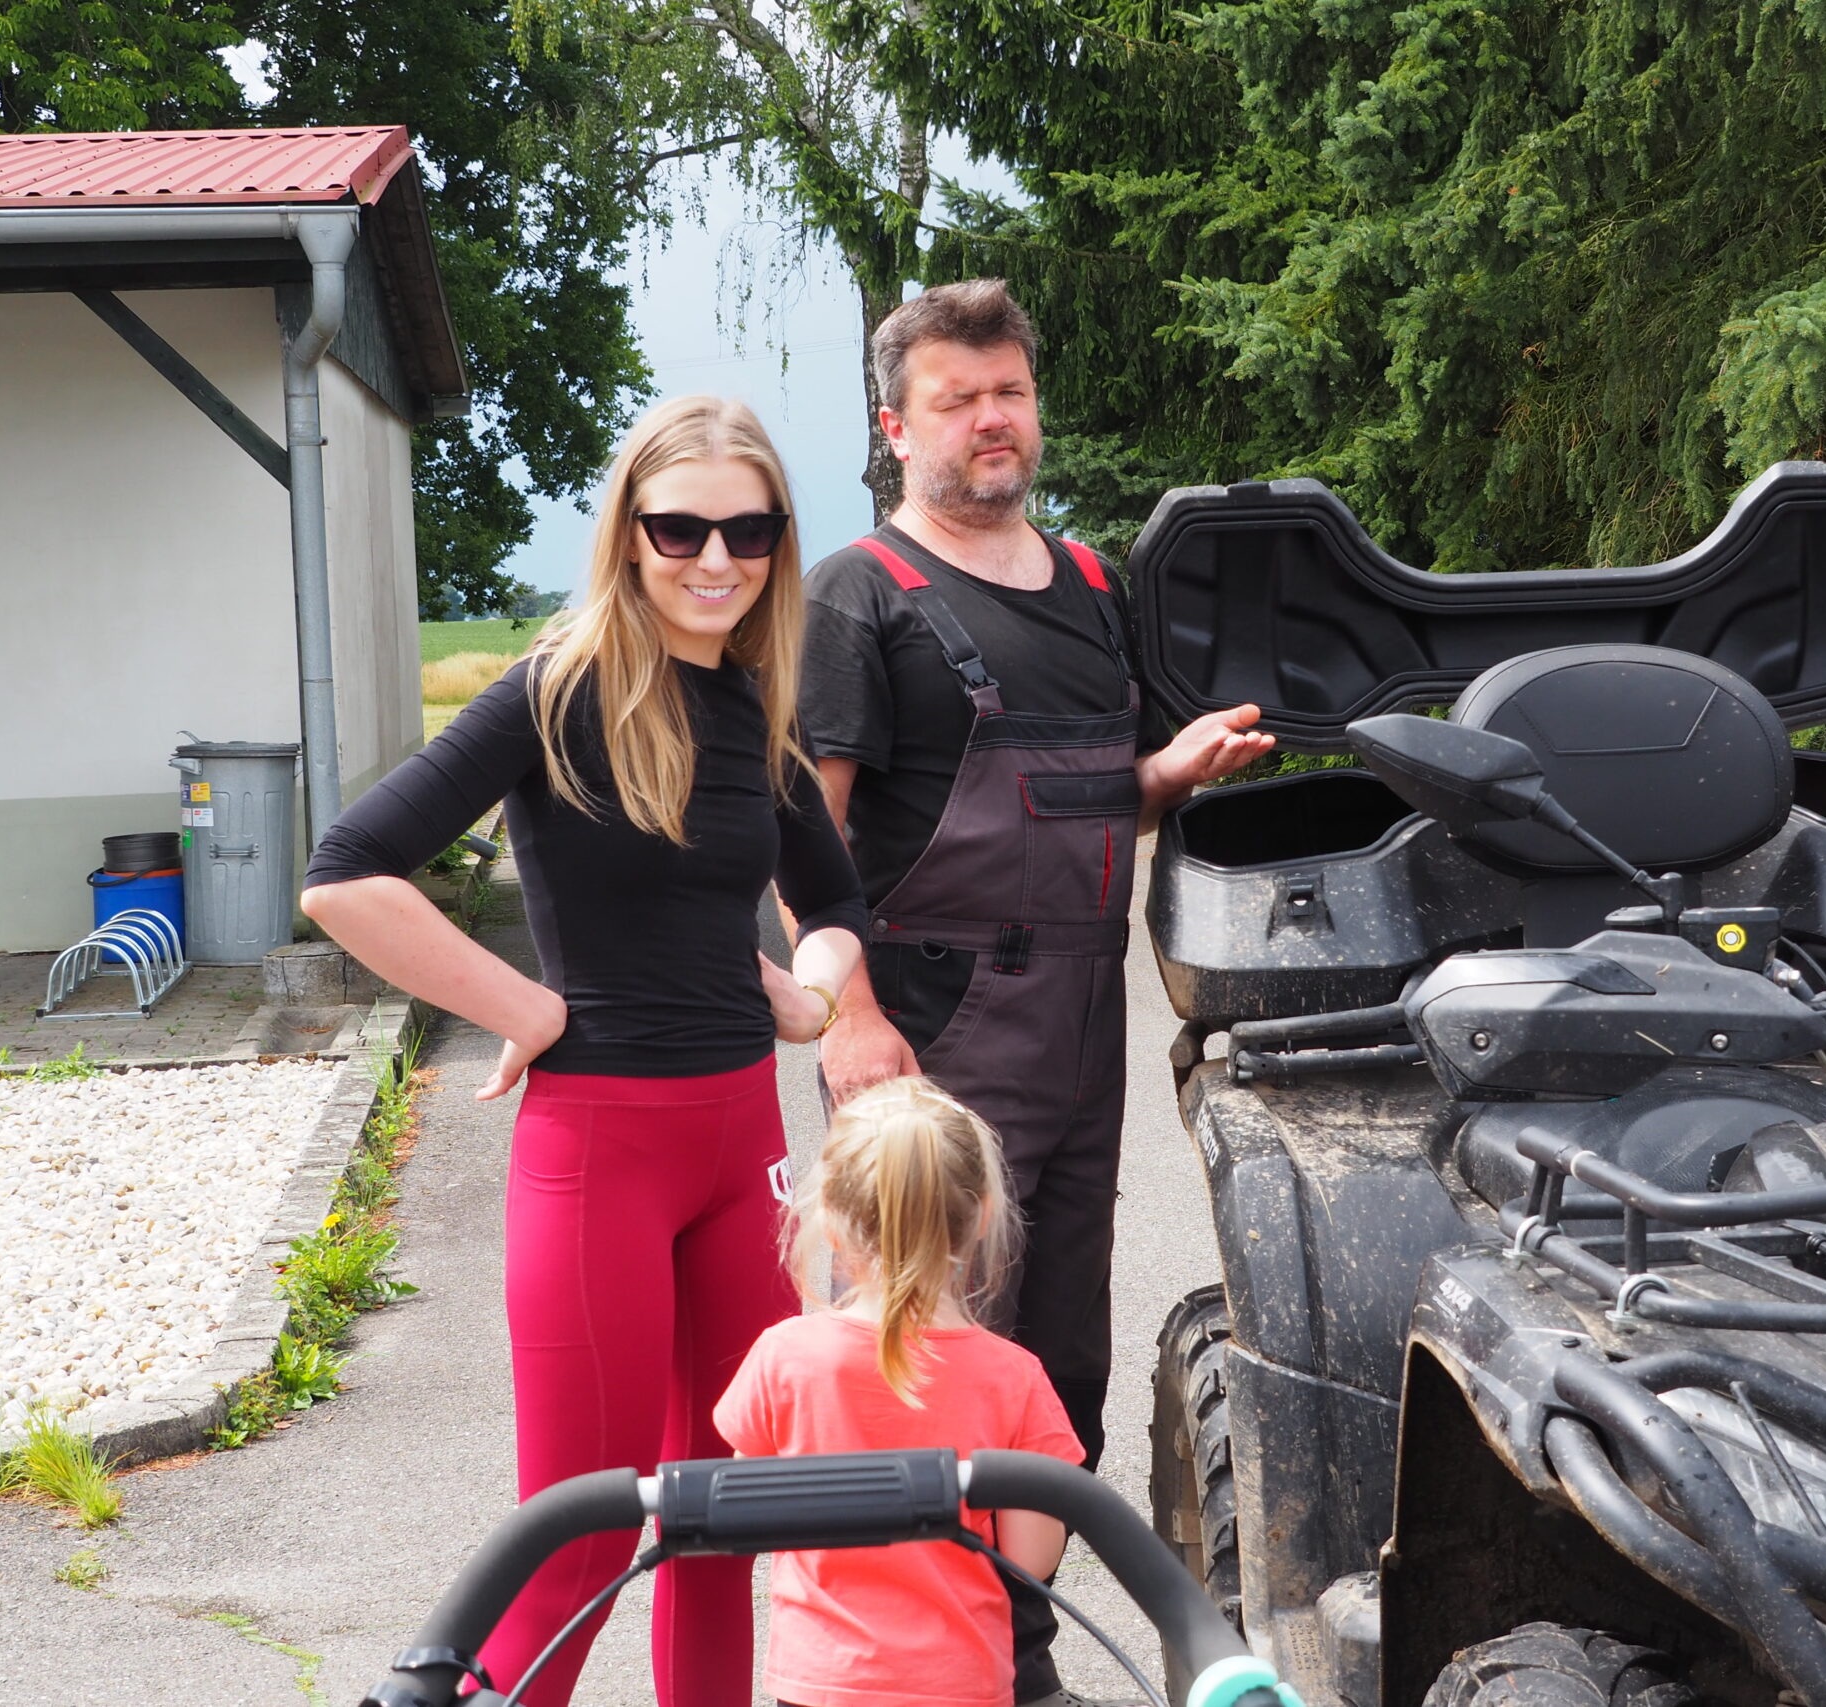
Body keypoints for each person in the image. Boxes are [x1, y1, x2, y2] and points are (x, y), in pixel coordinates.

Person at [300, 395, 866, 1707]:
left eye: (748, 530)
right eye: (681, 528)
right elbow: (346, 874)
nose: (715, 558)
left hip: (744, 1150)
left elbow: (835, 904)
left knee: (722, 1528)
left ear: (779, 540)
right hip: (601, 1147)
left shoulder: (753, 704)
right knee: (578, 1545)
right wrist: (525, 1009)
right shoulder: (555, 690)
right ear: (629, 532)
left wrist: (813, 994)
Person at [793, 278, 1273, 1702]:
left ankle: (1019, 1655)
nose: (991, 419)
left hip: (1077, 1025)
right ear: (897, 426)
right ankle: (898, 1670)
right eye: (957, 400)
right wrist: (850, 1020)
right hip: (928, 1039)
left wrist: (1165, 774)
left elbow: (1088, 795)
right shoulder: (859, 596)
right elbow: (801, 840)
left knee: (1056, 1369)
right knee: (920, 1360)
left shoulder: (1091, 585)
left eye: (1008, 391)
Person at [715, 1076, 1087, 1707]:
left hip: (823, 1679)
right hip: (960, 1680)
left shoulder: (785, 1356)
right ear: (983, 1216)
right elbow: (1031, 1559)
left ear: (832, 1224)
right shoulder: (1014, 1377)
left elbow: (743, 1520)